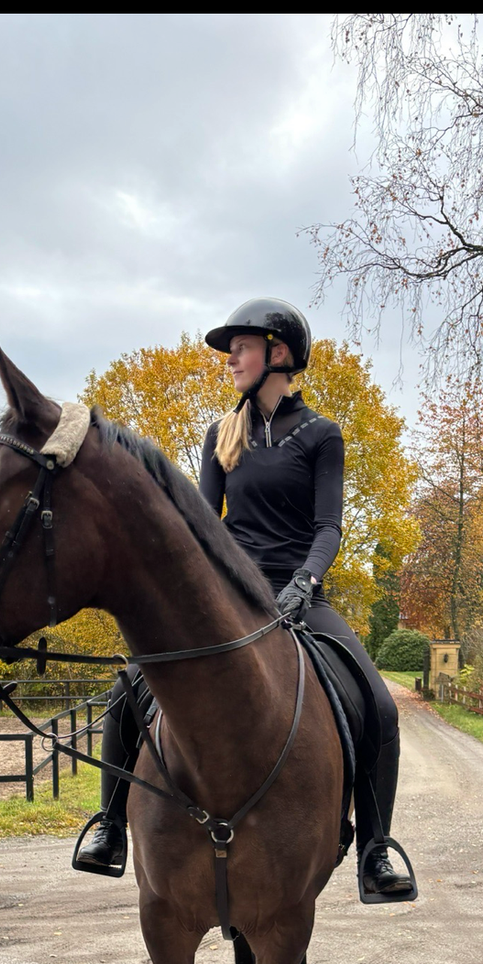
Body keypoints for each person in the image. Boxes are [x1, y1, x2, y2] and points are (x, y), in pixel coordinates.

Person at [72, 298, 412, 897]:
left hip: (299, 593)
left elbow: (328, 527)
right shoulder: (222, 435)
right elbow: (206, 523)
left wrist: (304, 583)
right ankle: (109, 826)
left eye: (242, 347)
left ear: (277, 353)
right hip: (230, 594)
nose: (230, 359)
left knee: (379, 708)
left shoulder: (321, 435)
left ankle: (375, 848)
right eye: (231, 350)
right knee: (130, 686)